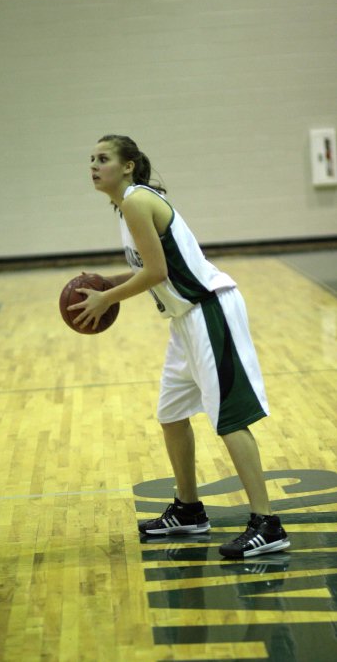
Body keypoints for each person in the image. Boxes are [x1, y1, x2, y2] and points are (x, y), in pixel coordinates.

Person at [68, 134, 290, 559]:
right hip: (182, 320)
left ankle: (267, 522)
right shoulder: (127, 206)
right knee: (172, 415)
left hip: (209, 311)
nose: (94, 166)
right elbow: (155, 269)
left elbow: (155, 272)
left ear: (128, 165)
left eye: (103, 159)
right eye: (90, 159)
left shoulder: (135, 202)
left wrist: (106, 299)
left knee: (228, 418)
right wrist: (108, 283)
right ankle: (189, 511)